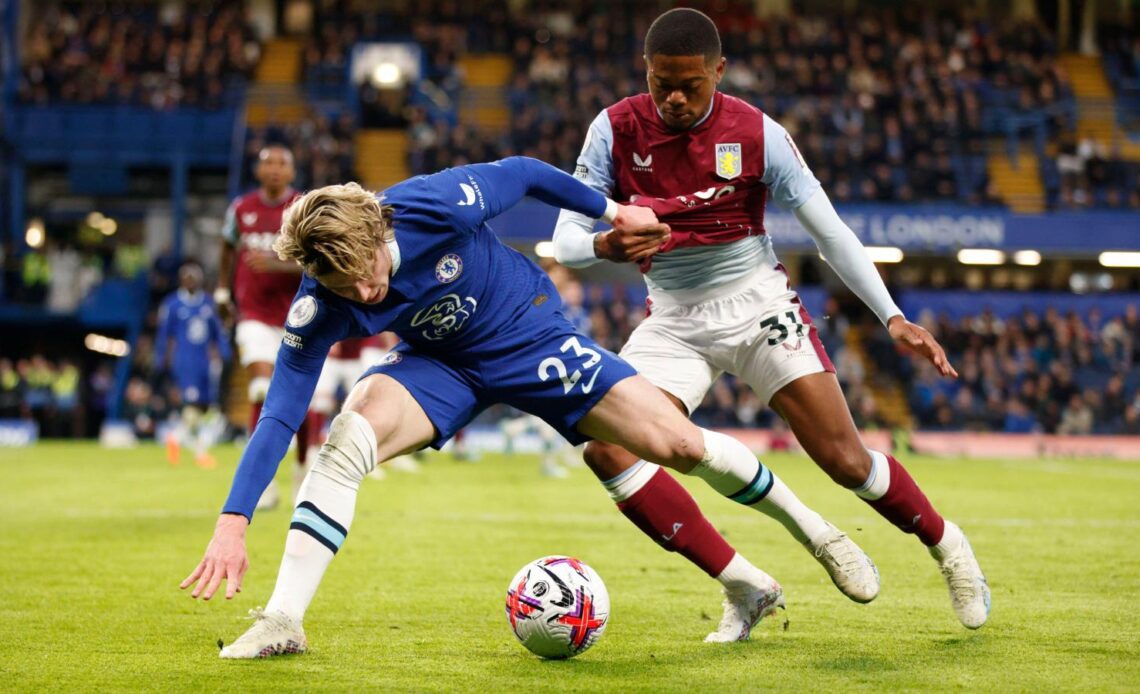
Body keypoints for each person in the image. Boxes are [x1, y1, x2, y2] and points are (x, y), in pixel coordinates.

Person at [181, 155, 877, 657]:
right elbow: (277, 414)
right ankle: (283, 620)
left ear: (379, 234)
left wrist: (613, 211)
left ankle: (816, 534)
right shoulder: (319, 303)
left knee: (680, 447)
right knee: (346, 437)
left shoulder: (430, 203)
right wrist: (233, 520)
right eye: (342, 282)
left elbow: (525, 173)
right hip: (441, 365)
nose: (363, 293)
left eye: (367, 272)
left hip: (527, 330)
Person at [552, 8, 989, 629]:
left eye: (691, 84)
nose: (674, 98)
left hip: (758, 303)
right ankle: (746, 585)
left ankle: (950, 546)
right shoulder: (614, 129)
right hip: (674, 318)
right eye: (661, 83)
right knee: (609, 449)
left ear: (719, 72)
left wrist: (891, 315)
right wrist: (602, 246)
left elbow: (829, 232)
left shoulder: (758, 134)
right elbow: (564, 239)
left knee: (845, 462)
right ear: (645, 71)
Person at [216, 145, 317, 508]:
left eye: (282, 163)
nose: (275, 169)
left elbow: (319, 260)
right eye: (268, 163)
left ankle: (303, 466)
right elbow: (227, 248)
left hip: (299, 314)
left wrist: (277, 265)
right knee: (260, 387)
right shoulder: (241, 210)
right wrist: (221, 291)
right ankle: (263, 482)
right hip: (253, 313)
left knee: (301, 403)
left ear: (292, 172)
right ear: (258, 171)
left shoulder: (305, 209)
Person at [155, 262, 232, 467]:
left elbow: (218, 333)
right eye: (186, 277)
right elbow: (165, 335)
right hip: (185, 360)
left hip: (204, 361)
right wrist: (162, 358)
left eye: (193, 277)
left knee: (205, 407)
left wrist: (224, 354)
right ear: (181, 280)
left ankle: (176, 437)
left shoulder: (208, 303)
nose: (189, 281)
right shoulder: (172, 304)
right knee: (193, 404)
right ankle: (199, 452)